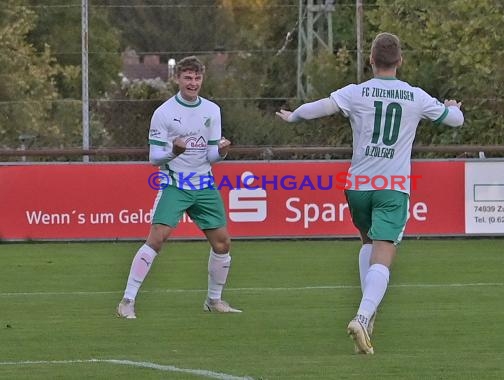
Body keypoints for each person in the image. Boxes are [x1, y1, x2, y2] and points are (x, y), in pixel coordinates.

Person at [276, 32, 463, 354]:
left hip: (358, 186)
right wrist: (450, 107)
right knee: (385, 251)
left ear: (371, 60)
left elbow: (317, 108)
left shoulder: (356, 92)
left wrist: (293, 115)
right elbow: (456, 121)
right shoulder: (414, 96)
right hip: (392, 187)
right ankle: (362, 316)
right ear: (400, 61)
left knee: (367, 243)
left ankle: (369, 314)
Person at [117, 56, 241, 319]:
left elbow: (211, 157)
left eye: (197, 78)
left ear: (202, 79)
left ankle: (213, 300)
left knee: (223, 244)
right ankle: (127, 301)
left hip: (204, 184)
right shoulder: (163, 113)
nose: (192, 83)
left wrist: (223, 152)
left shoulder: (212, 110)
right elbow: (154, 159)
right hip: (175, 183)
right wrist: (173, 151)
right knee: (157, 238)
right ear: (178, 79)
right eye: (187, 78)